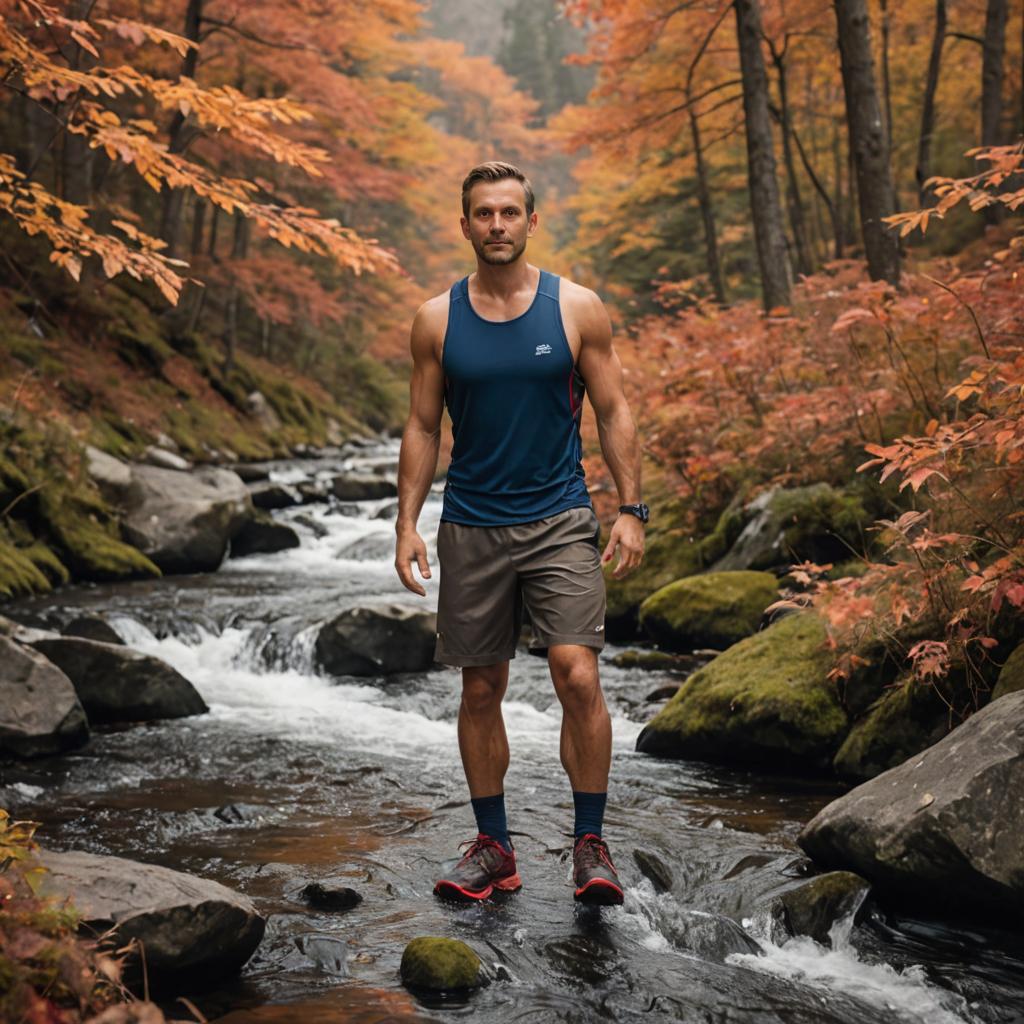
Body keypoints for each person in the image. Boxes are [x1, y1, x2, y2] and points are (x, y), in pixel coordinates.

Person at [394, 160, 647, 906]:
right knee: (482, 687)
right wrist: (406, 521)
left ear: (532, 222)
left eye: (510, 212)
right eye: (483, 213)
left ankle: (590, 845)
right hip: (471, 523)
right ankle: (494, 848)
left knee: (578, 674)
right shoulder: (436, 319)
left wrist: (631, 510)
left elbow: (614, 409)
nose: (497, 225)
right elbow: (420, 424)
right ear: (465, 223)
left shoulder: (576, 309)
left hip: (560, 519)